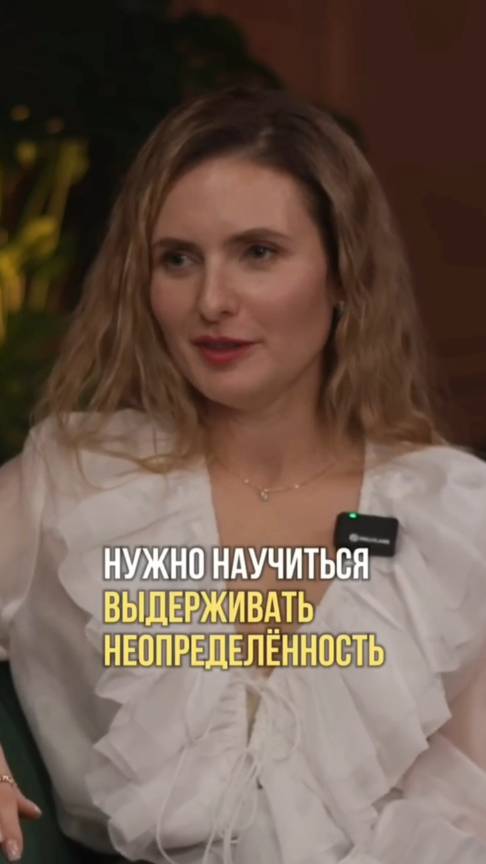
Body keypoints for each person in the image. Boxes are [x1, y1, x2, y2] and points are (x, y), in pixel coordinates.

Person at [0, 85, 485, 864]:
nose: (212, 301)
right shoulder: (80, 480)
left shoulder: (451, 512)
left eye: (258, 252)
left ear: (344, 274)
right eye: (178, 259)